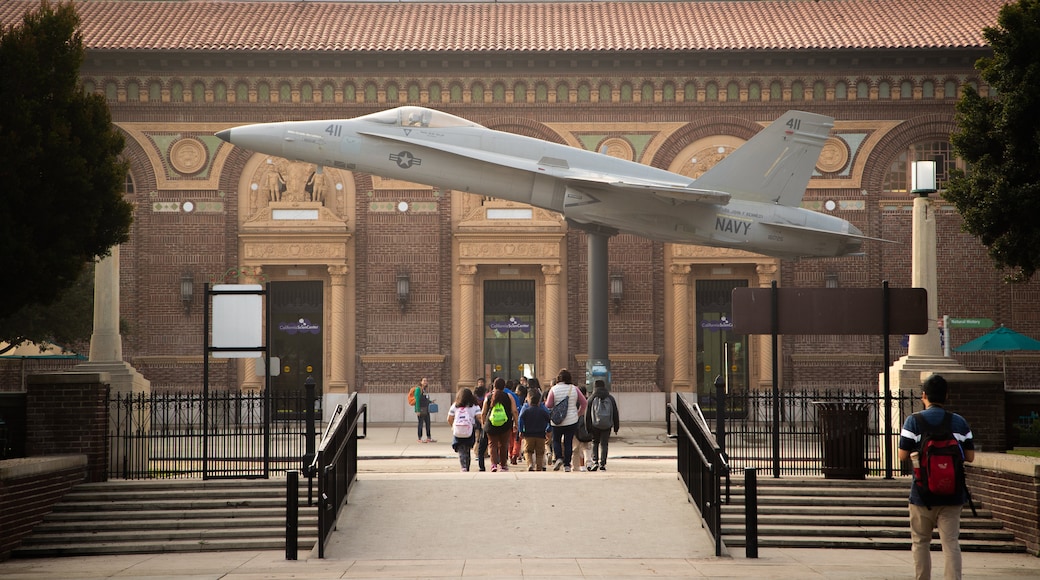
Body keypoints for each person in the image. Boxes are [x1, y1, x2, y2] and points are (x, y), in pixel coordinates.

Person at [898, 374, 975, 580]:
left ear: (924, 395)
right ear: (946, 396)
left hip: (922, 494)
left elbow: (902, 454)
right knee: (951, 543)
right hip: (953, 494)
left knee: (921, 542)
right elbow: (970, 456)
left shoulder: (913, 421)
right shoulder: (959, 422)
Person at [544, 368, 587, 472]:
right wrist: (578, 413)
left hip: (557, 421)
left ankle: (558, 457)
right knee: (568, 442)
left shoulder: (553, 389)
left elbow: (548, 405)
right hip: (571, 420)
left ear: (558, 378)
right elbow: (584, 403)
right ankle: (567, 465)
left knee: (556, 440)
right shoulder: (574, 389)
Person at [481, 378, 518, 472]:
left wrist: (483, 423)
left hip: (491, 424)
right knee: (503, 445)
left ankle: (493, 465)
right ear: (504, 386)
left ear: (494, 385)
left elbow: (483, 412)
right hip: (505, 424)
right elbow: (514, 411)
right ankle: (503, 465)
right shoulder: (508, 396)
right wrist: (516, 423)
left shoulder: (489, 397)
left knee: (492, 445)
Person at [585, 379, 620, 471]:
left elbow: (587, 415)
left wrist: (588, 428)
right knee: (604, 444)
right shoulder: (610, 398)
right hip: (607, 425)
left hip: (594, 425)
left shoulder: (591, 398)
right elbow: (615, 413)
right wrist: (616, 427)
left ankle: (595, 461)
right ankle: (603, 464)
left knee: (595, 442)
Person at [447, 388, 481, 472]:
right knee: (467, 449)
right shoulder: (474, 406)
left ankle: (463, 466)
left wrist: (452, 426)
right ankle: (467, 466)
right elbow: (479, 417)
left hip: (458, 430)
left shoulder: (455, 405)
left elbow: (449, 418)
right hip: (469, 430)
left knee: (461, 449)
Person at [518, 388, 551, 470]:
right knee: (540, 453)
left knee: (528, 451)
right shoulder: (543, 410)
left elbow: (520, 420)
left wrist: (521, 430)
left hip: (528, 435)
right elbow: (550, 420)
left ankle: (530, 464)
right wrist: (548, 429)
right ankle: (539, 467)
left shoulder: (526, 410)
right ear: (539, 401)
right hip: (541, 435)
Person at [411, 377, 435, 443]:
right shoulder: (418, 389)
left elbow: (425, 399)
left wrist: (431, 402)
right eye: (424, 380)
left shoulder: (424, 390)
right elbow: (417, 400)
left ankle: (429, 437)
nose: (425, 382)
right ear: (421, 382)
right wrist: (417, 410)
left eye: (426, 381)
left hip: (426, 409)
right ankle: (419, 438)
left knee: (428, 423)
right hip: (421, 409)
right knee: (420, 424)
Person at [473, 378, 488, 471]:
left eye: (482, 382)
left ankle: (483, 453)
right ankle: (478, 453)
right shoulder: (476, 397)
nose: (481, 384)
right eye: (479, 382)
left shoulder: (486, 395)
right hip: (479, 419)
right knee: (479, 437)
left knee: (482, 437)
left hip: (483, 418)